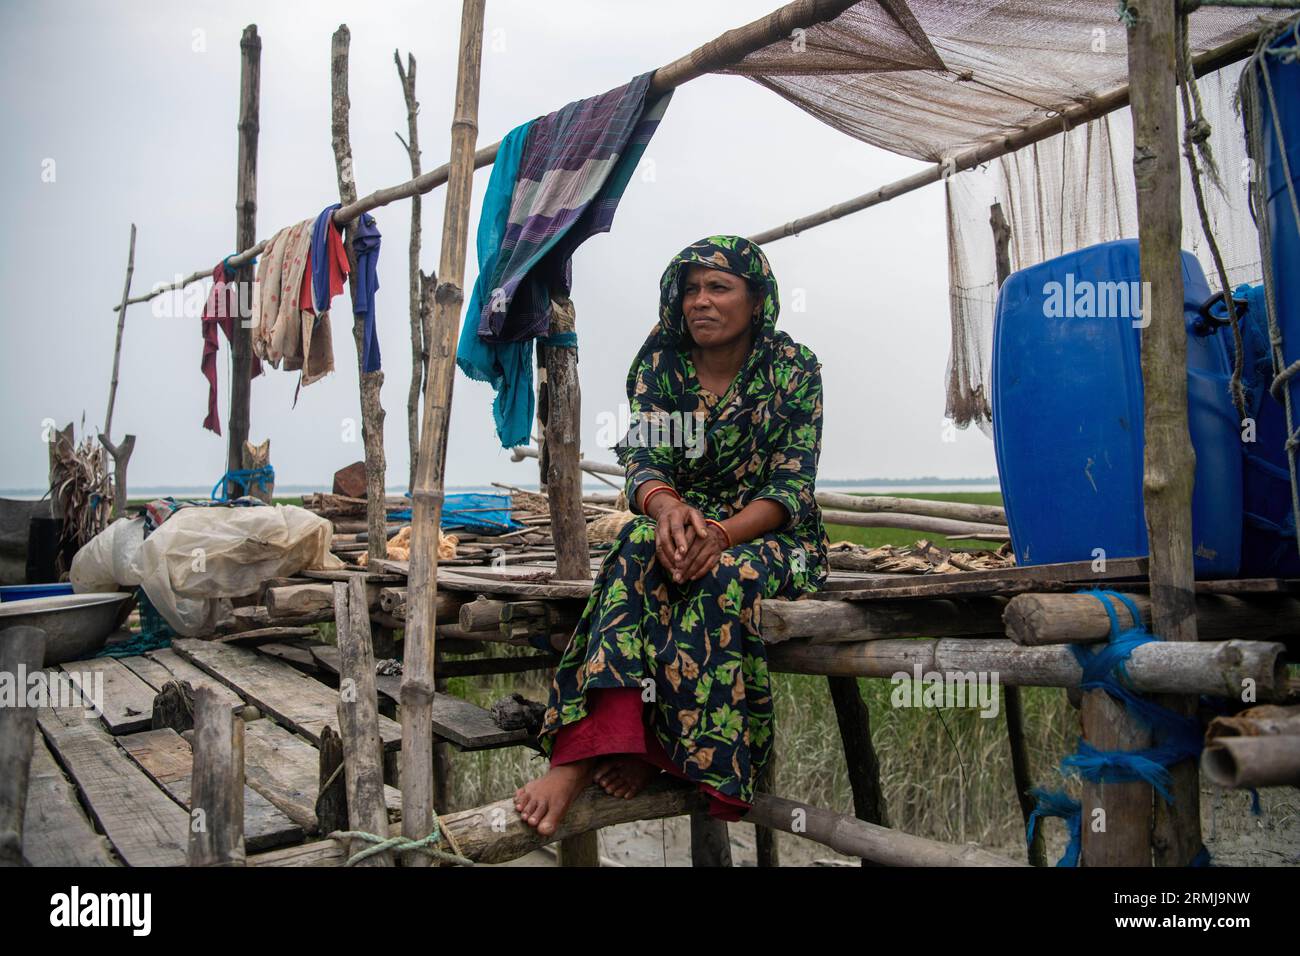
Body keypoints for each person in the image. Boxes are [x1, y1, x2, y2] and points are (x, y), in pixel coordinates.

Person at [514, 235, 828, 837]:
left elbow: (793, 486)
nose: (700, 302)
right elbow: (645, 464)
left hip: (768, 535)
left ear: (756, 299)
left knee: (721, 576)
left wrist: (722, 534)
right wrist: (667, 511)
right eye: (690, 289)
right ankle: (590, 751)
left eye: (718, 287)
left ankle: (680, 755)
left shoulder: (794, 370)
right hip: (679, 521)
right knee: (633, 548)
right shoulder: (660, 364)